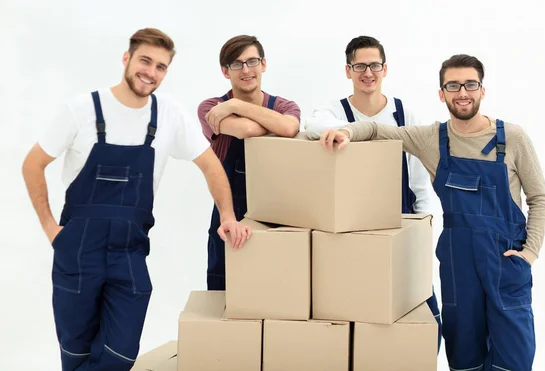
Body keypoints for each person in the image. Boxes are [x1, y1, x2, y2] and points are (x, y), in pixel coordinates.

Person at [21, 28, 251, 371]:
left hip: (129, 253)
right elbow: (33, 164)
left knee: (121, 353)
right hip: (77, 249)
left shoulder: (169, 114)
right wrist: (52, 229)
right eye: (145, 60)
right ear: (127, 59)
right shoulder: (82, 109)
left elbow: (211, 165)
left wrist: (228, 215)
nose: (151, 72)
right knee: (76, 352)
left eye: (161, 66)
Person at [318, 54, 545, 371]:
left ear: (482, 90)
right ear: (442, 93)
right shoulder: (432, 140)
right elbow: (376, 129)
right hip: (458, 267)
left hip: (505, 264)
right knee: (464, 357)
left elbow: (540, 197)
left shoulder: (512, 138)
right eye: (453, 85)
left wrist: (530, 253)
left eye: (470, 84)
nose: (462, 92)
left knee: (515, 358)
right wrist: (345, 133)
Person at [304, 35, 442, 350]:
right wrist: (340, 131)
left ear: (385, 69)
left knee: (422, 311)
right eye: (360, 65)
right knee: (358, 310)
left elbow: (421, 182)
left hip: (400, 222)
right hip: (352, 229)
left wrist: (421, 227)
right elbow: (311, 124)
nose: (368, 72)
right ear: (348, 70)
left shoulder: (406, 116)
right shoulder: (334, 112)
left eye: (375, 65)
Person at [198, 35, 301, 290]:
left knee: (277, 291)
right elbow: (245, 130)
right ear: (225, 71)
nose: (246, 70)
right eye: (236, 64)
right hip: (229, 212)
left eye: (252, 61)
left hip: (280, 213)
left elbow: (289, 127)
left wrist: (235, 104)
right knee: (225, 291)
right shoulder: (210, 108)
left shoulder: (285, 105)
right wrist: (267, 121)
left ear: (263, 64)